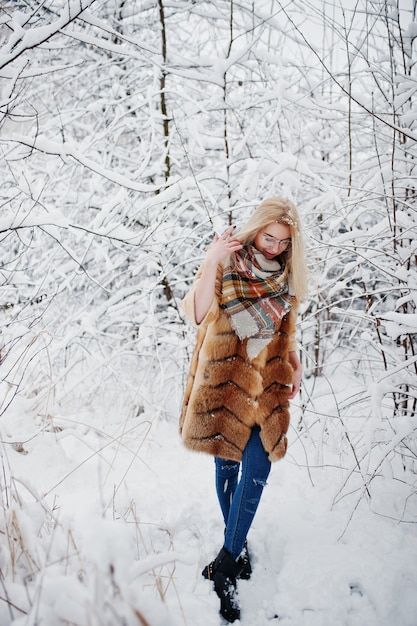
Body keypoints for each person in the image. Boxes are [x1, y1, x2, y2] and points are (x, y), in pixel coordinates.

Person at [179, 197, 308, 622]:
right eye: (268, 237)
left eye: (283, 242)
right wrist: (212, 259)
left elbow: (284, 333)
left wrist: (294, 360)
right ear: (255, 231)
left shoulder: (286, 280)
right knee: (227, 471)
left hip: (265, 389)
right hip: (223, 388)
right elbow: (197, 314)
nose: (272, 247)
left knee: (256, 472)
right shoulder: (227, 265)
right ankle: (236, 554)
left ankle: (226, 562)